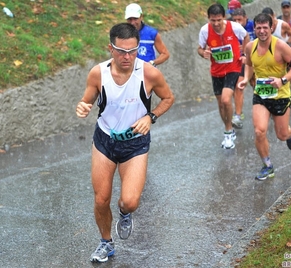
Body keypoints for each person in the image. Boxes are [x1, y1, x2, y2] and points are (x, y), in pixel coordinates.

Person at [76, 23, 174, 263]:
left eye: (133, 51)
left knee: (130, 202)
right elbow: (87, 100)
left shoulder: (149, 72)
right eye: (121, 51)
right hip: (105, 140)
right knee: (101, 199)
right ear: (111, 48)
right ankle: (106, 243)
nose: (127, 57)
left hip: (135, 144)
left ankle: (124, 213)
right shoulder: (98, 73)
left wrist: (150, 117)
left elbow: (168, 98)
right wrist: (83, 106)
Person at [238, 13, 291, 180]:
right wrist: (246, 79)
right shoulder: (250, 47)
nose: (261, 31)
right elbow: (249, 64)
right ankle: (267, 166)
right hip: (261, 94)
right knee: (259, 131)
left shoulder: (281, 47)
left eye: (265, 27)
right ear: (254, 29)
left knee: (281, 135)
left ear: (271, 28)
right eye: (258, 28)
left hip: (280, 95)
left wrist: (283, 80)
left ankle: (289, 133)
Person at [198, 3, 249, 149]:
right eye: (212, 20)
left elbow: (246, 37)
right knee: (221, 104)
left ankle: (227, 132)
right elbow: (199, 49)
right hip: (217, 70)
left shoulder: (234, 27)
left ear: (224, 17)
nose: (216, 23)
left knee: (226, 100)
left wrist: (244, 53)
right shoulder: (204, 31)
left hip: (233, 67)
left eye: (219, 20)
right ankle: (229, 129)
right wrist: (204, 53)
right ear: (208, 19)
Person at [229, 8, 256, 128]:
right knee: (239, 86)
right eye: (235, 20)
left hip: (256, 59)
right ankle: (238, 115)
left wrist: (248, 48)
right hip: (240, 61)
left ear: (246, 18)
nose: (237, 23)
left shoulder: (254, 25)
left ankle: (266, 104)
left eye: (240, 20)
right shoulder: (231, 28)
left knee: (255, 84)